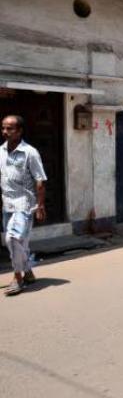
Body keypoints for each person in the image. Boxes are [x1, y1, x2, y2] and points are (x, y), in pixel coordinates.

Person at [0, 115, 47, 296]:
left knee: (12, 238)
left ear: (19, 131)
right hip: (7, 205)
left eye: (10, 129)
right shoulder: (1, 151)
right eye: (3, 128)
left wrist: (40, 206)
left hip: (25, 205)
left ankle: (18, 278)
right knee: (20, 242)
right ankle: (27, 271)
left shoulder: (30, 152)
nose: (5, 132)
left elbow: (40, 180)